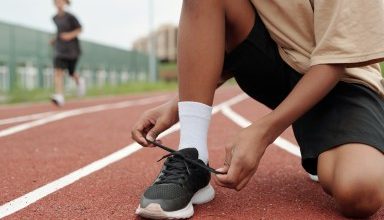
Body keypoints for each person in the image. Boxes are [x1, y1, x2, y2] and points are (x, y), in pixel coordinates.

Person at [131, 0, 384, 219]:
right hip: (279, 64)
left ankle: (344, 144)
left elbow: (336, 59)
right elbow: (235, 38)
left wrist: (263, 132)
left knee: (360, 192)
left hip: (342, 81)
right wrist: (179, 104)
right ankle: (192, 155)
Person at [51, 0, 84, 106]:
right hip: (60, 49)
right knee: (58, 71)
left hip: (72, 50)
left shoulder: (71, 17)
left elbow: (80, 29)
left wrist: (69, 35)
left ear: (65, 3)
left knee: (71, 72)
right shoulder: (54, 18)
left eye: (61, 1)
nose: (59, 3)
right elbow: (59, 31)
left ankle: (79, 81)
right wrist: (55, 39)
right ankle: (59, 96)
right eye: (57, 1)